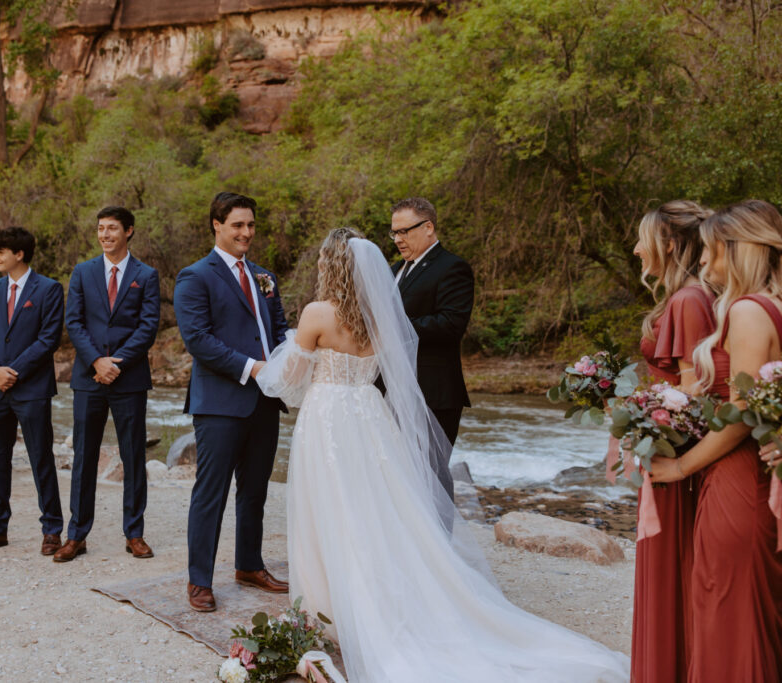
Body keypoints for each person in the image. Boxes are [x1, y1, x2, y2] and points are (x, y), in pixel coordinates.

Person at [256, 228, 629, 682]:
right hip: (370, 418)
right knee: (379, 513)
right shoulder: (381, 315)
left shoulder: (318, 312)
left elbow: (290, 381)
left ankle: (330, 611)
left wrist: (267, 364)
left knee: (330, 509)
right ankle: (386, 601)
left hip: (329, 418)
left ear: (328, 266)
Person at [651, 200, 782, 682]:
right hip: (757, 481)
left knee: (726, 609)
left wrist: (679, 467)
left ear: (739, 250)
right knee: (748, 612)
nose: (702, 263)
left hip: (737, 481)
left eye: (710, 252)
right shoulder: (776, 307)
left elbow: (743, 415)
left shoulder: (749, 311)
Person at [173, 192, 289, 612]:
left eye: (251, 225)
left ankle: (249, 565)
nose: (246, 233)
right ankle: (199, 580)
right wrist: (253, 368)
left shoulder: (265, 277)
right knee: (212, 492)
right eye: (238, 225)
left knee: (255, 489)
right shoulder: (194, 276)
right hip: (221, 402)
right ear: (217, 225)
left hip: (265, 401)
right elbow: (199, 340)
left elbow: (279, 329)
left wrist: (291, 361)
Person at [630, 201, 716, 682]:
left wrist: (639, 421)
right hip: (669, 448)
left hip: (677, 459)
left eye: (644, 238)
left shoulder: (688, 300)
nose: (637, 248)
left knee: (669, 572)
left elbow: (694, 393)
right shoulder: (688, 296)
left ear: (667, 243)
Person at [57, 207, 161, 563]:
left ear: (128, 231)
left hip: (129, 378)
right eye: (100, 228)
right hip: (89, 378)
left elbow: (148, 327)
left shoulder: (146, 275)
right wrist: (96, 362)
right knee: (84, 456)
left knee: (133, 457)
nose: (105, 235)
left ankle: (134, 533)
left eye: (112, 228)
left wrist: (116, 363)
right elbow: (73, 321)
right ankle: (76, 535)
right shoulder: (83, 272)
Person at [0, 227, 65, 556]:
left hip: (32, 389)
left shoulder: (49, 289)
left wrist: (14, 371)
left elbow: (48, 339)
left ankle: (51, 529)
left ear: (19, 254)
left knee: (41, 458)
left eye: (0, 251)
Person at [390, 197, 473, 499]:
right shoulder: (396, 268)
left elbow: (451, 324)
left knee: (432, 475)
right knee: (401, 476)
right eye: (394, 233)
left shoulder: (452, 267)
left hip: (434, 390)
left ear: (428, 227)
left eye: (404, 231)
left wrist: (393, 326)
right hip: (396, 388)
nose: (398, 239)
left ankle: (440, 546)